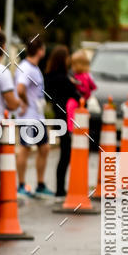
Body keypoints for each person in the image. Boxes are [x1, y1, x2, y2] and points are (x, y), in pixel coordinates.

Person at [14, 37, 54, 198]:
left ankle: (40, 184)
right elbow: (20, 88)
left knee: (44, 148)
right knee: (25, 148)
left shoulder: (34, 67)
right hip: (28, 117)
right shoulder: (26, 67)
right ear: (40, 50)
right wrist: (24, 103)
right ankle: (21, 185)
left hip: (37, 116)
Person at [44, 45, 79, 198]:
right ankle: (60, 188)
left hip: (57, 116)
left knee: (64, 153)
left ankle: (60, 187)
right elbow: (77, 96)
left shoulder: (48, 76)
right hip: (66, 118)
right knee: (66, 153)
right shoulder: (64, 79)